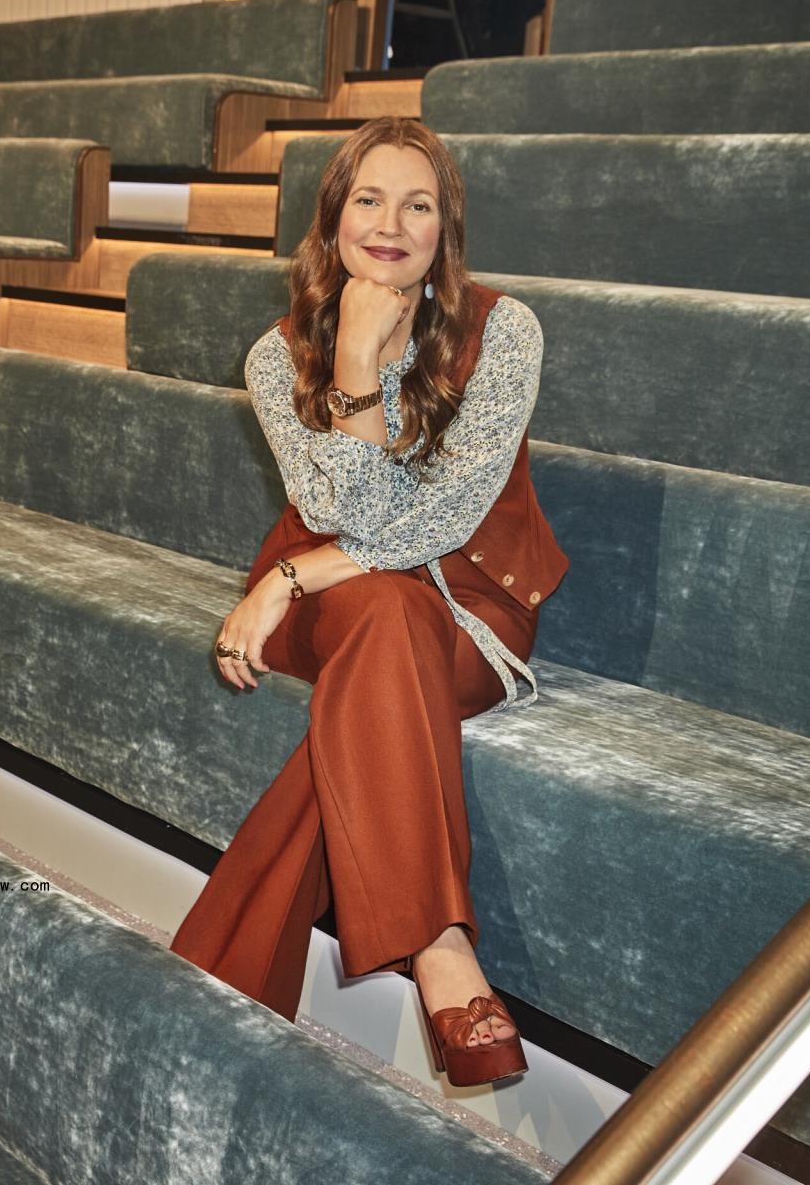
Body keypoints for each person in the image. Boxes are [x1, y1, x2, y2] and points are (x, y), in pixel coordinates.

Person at [169, 117, 569, 1088]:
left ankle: (206, 997)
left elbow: (445, 515)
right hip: (341, 607)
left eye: (418, 203)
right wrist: (353, 358)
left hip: (470, 608)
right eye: (369, 199)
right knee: (381, 613)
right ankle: (440, 947)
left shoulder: (503, 329)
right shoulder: (276, 354)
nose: (392, 224)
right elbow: (331, 506)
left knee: (389, 629)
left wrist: (289, 576)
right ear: (333, 218)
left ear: (447, 227)